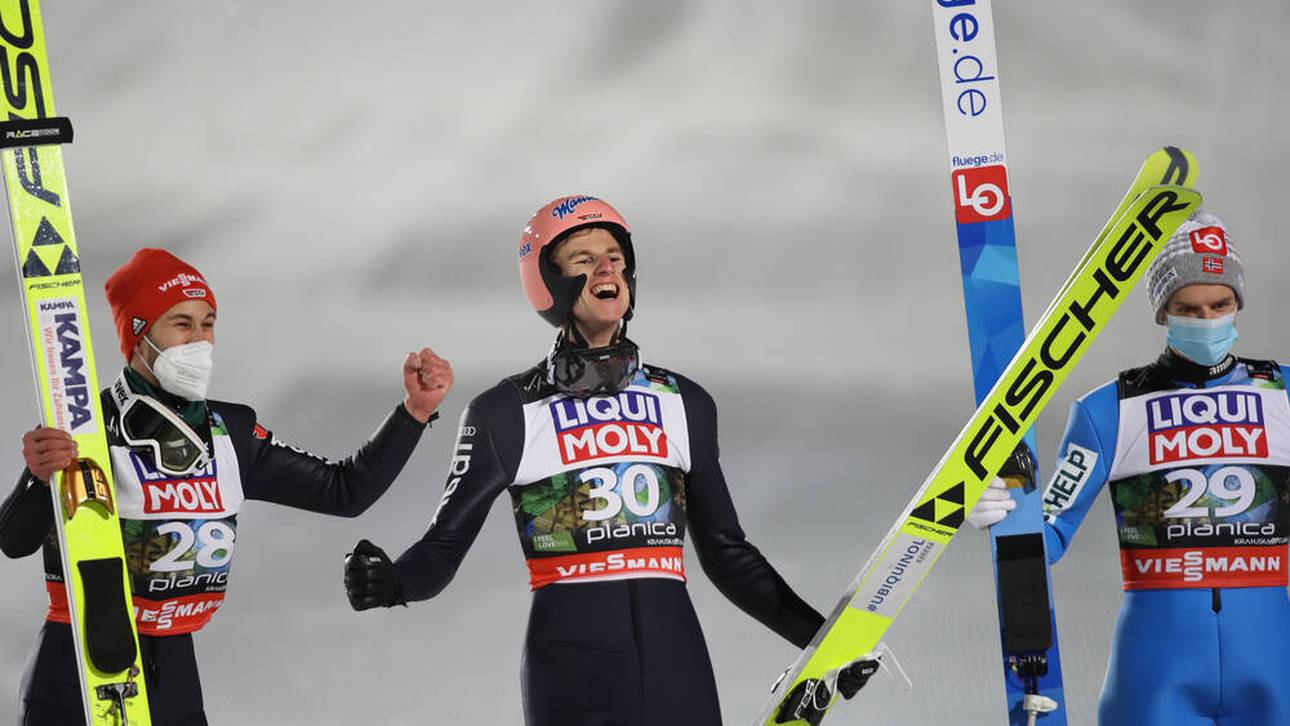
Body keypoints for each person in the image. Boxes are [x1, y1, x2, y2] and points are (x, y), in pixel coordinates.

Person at [343, 196, 876, 725]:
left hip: (675, 661)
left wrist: (822, 640)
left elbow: (728, 554)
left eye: (616, 257)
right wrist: (393, 582)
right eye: (584, 259)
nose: (606, 268)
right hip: (571, 670)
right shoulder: (507, 412)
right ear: (548, 283)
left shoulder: (683, 403)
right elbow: (443, 548)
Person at [0, 248, 453, 725]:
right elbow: (13, 542)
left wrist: (414, 414)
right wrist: (38, 477)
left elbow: (346, 491)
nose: (199, 340)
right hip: (78, 668)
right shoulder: (87, 427)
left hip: (174, 673)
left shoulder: (229, 432)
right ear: (139, 333)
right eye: (181, 324)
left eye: (208, 323)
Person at [969, 212, 1290, 725]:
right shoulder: (1110, 410)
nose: (1206, 320)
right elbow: (1050, 534)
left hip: (1275, 661)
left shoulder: (1283, 394)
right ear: (1163, 312)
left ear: (1238, 303)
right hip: (1159, 668)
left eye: (1220, 305)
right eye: (1187, 308)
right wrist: (1007, 510)